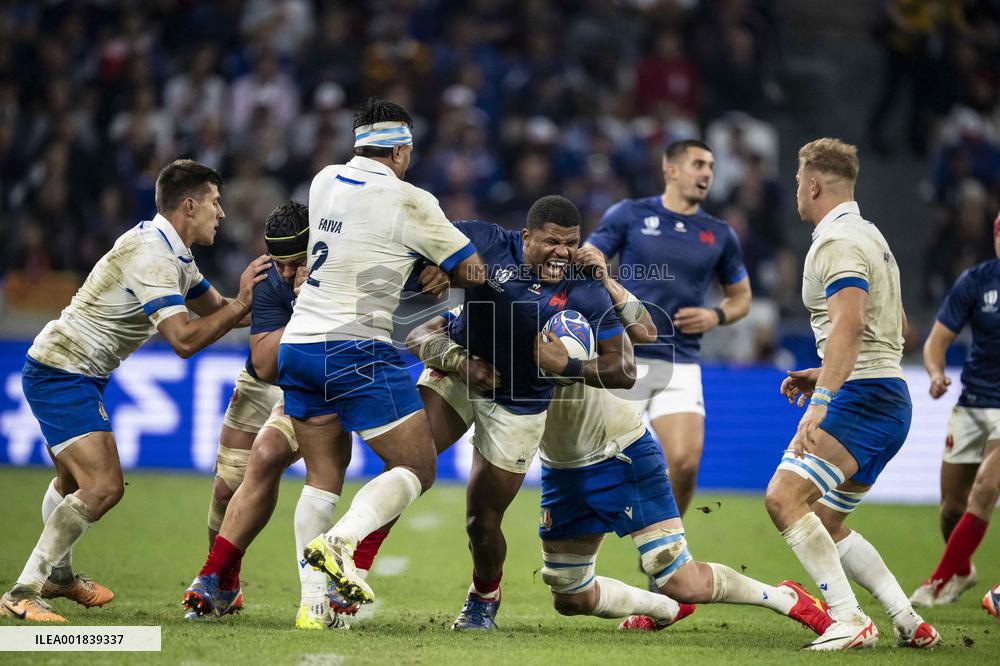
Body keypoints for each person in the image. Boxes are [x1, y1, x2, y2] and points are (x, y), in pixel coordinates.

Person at [412, 251, 833, 640]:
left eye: (565, 245)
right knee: (570, 596)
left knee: (680, 577)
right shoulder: (493, 311)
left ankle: (785, 597)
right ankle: (663, 609)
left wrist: (607, 286)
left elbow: (644, 336)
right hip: (563, 467)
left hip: (620, 452)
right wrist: (457, 358)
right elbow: (421, 333)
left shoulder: (583, 303)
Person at [0, 159, 271, 622]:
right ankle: (22, 593)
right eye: (214, 202)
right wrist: (241, 304)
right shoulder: (152, 255)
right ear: (190, 205)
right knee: (103, 486)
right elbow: (184, 340)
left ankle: (59, 577)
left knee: (72, 484)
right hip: (61, 372)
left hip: (72, 371)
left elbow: (226, 310)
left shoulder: (177, 254)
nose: (221, 213)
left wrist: (287, 297)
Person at [283, 97, 485, 607]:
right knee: (418, 467)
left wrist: (424, 261)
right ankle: (341, 543)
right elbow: (474, 271)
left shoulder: (323, 180)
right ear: (402, 150)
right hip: (354, 348)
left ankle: (311, 607)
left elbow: (362, 239)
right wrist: (443, 266)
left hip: (298, 343)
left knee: (322, 479)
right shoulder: (412, 201)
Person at [404, 197, 635, 630]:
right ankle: (354, 566)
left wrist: (567, 366)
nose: (561, 252)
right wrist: (428, 264)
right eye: (551, 241)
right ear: (526, 237)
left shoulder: (585, 288)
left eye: (570, 243)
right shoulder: (487, 241)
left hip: (521, 403)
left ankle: (484, 594)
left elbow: (625, 369)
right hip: (462, 366)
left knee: (481, 519)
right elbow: (420, 227)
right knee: (409, 460)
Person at [762, 138, 939, 650]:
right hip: (888, 395)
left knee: (783, 498)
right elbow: (896, 327)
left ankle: (847, 619)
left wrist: (822, 401)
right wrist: (823, 373)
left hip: (864, 400)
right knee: (824, 520)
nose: (797, 191)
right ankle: (908, 619)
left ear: (813, 184)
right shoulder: (872, 236)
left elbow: (852, 325)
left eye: (798, 182)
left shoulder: (834, 242)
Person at [586, 139, 752, 517]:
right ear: (671, 170)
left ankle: (665, 551)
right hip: (622, 359)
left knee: (685, 462)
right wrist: (607, 282)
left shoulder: (719, 233)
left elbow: (741, 297)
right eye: (698, 164)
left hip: (681, 360)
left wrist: (716, 316)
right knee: (597, 463)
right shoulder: (629, 214)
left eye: (710, 165)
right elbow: (590, 254)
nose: (707, 173)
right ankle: (580, 557)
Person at [909, 213, 1000, 608]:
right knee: (951, 507)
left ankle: (936, 582)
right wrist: (934, 373)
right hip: (973, 405)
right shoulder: (976, 281)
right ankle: (962, 570)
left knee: (985, 487)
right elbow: (937, 341)